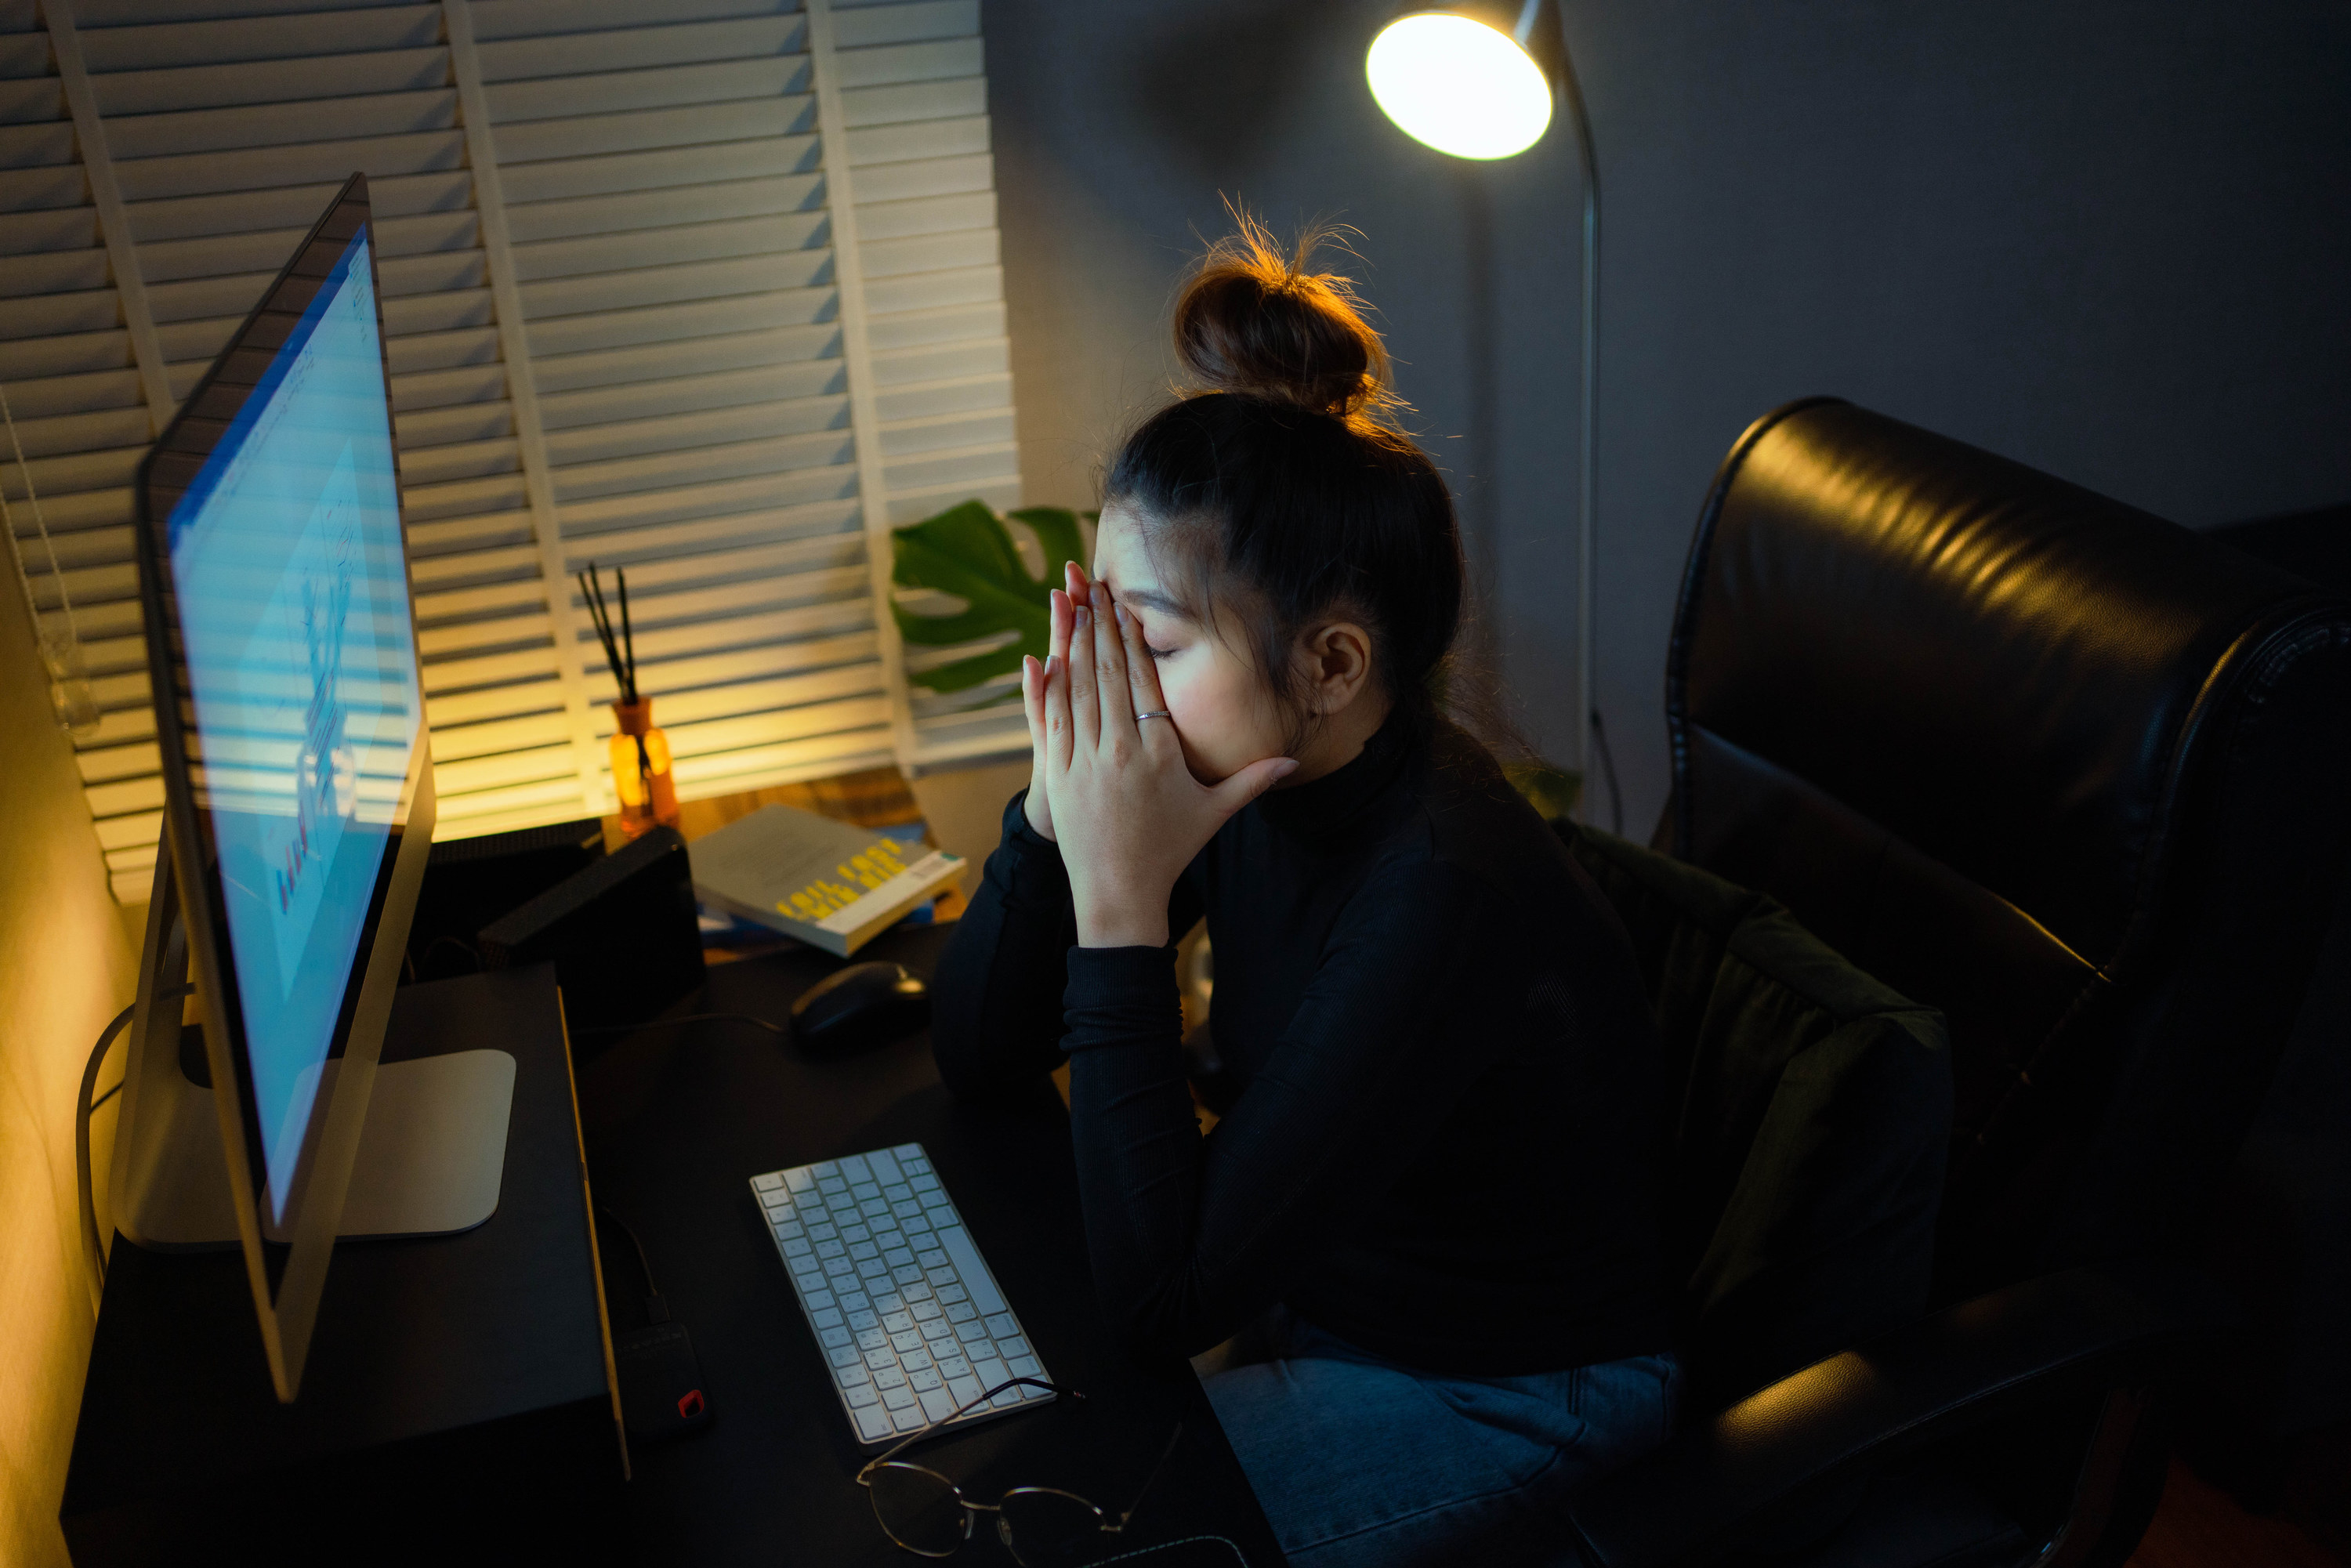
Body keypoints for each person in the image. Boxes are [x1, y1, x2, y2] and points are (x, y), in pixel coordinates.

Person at [931, 219, 1677, 1567]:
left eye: (1146, 640)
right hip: (1311, 1288)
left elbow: (1162, 1302)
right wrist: (1052, 813)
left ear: (1331, 663)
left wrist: (1119, 903)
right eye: (1095, 621)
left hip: (1507, 1384)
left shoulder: (1440, 892)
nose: (1107, 681)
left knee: (1077, 1532)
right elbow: (983, 1057)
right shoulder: (1257, 768)